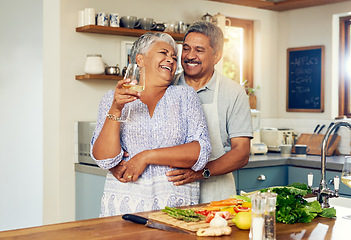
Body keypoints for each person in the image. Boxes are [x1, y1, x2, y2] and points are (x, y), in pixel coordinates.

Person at [90, 32, 211, 217]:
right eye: (163, 53)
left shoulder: (186, 97)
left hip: (175, 210)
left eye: (174, 57)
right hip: (124, 209)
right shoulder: (113, 98)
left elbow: (199, 152)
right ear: (140, 59)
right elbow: (105, 159)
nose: (170, 60)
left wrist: (146, 156)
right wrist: (116, 109)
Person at [168, 21, 253, 203]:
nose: (190, 56)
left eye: (199, 50)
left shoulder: (233, 92)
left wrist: (199, 173)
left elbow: (242, 152)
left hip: (217, 193)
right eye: (186, 48)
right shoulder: (167, 86)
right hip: (172, 190)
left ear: (217, 56)